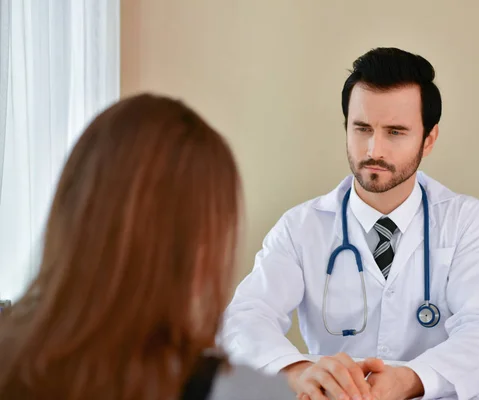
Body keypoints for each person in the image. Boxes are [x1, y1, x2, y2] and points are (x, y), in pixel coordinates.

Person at [220, 47, 479, 400]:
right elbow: (244, 318)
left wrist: (409, 379)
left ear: (429, 139)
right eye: (361, 128)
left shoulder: (464, 220)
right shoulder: (301, 227)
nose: (373, 149)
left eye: (395, 132)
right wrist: (298, 372)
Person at [0, 94, 296, 400]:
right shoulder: (236, 391)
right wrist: (295, 368)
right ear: (202, 245)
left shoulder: (13, 356)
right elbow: (249, 316)